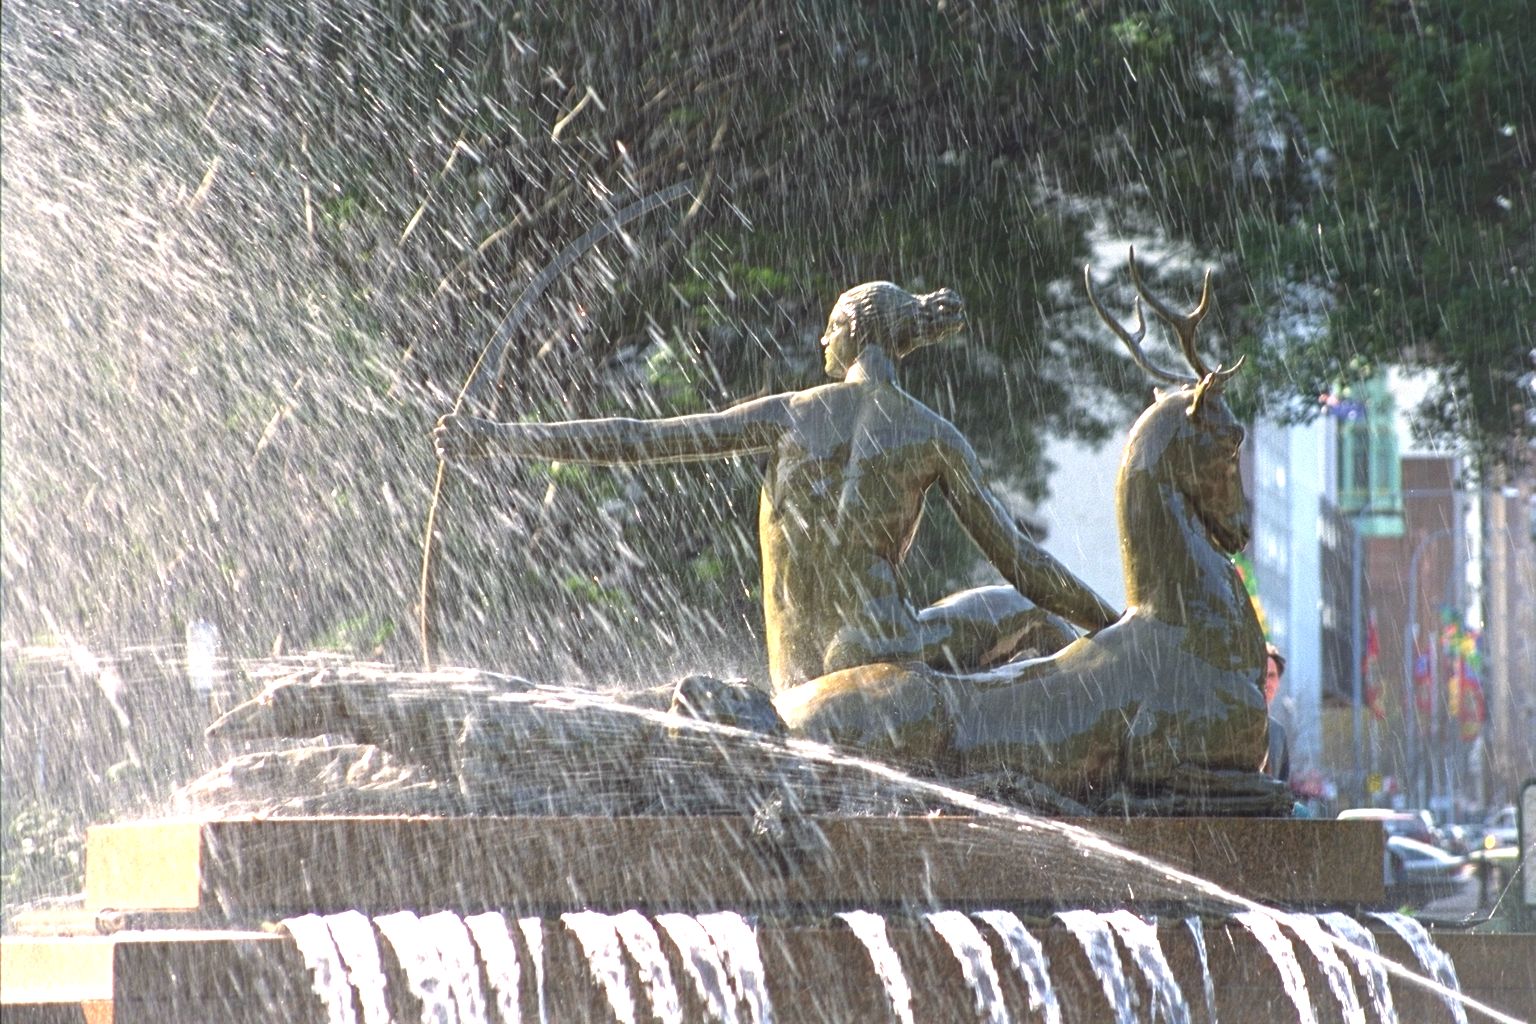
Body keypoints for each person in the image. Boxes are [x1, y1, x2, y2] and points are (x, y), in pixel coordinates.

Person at [434, 281, 1120, 693]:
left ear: (852, 332)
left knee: (1015, 610)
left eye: (830, 327)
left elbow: (639, 437)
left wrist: (498, 437)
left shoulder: (790, 413)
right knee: (1024, 609)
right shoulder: (935, 434)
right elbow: (1023, 562)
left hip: (796, 674)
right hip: (883, 643)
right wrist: (1119, 625)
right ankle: (1121, 669)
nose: (821, 340)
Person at [1263, 642, 1292, 782]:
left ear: (1278, 683)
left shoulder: (1278, 732)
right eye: (1261, 674)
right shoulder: (1231, 726)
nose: (1265, 682)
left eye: (1271, 675)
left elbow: (1282, 783)